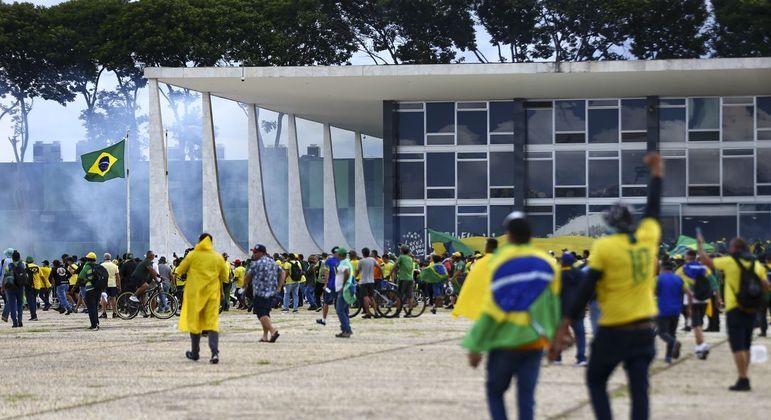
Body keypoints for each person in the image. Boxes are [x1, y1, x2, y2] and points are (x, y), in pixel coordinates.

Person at [552, 152, 664, 420]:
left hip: (614, 329)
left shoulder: (605, 247)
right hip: (645, 329)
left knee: (596, 380)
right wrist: (657, 172)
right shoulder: (648, 239)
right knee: (639, 388)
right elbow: (653, 209)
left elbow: (587, 287)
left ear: (611, 225)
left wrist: (567, 320)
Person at [463, 212, 561, 420]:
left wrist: (475, 345)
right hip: (534, 343)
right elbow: (552, 306)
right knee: (526, 398)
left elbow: (492, 307)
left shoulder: (499, 262)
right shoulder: (548, 263)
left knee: (495, 392)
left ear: (509, 235)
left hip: (503, 342)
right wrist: (554, 340)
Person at [697, 234, 769, 391]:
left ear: (735, 248)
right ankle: (745, 374)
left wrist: (701, 245)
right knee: (747, 345)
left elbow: (706, 261)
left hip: (734, 309)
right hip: (751, 308)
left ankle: (743, 379)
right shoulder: (756, 264)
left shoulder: (730, 262)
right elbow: (766, 286)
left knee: (737, 346)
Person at [176, 233, 229, 364]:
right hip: (212, 295)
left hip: (195, 295)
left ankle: (195, 353)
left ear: (199, 241)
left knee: (194, 323)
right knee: (212, 323)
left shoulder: (192, 255)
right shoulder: (218, 257)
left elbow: (180, 269)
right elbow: (225, 277)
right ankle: (214, 353)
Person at [676, 249, 720, 359]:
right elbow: (714, 284)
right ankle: (700, 345)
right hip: (704, 299)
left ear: (687, 257)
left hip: (691, 300)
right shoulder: (704, 268)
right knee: (699, 323)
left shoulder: (682, 269)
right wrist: (718, 298)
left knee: (696, 325)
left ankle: (701, 346)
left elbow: (676, 283)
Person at [244, 244, 283, 343]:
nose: (254, 254)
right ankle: (265, 336)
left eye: (255, 252)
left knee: (260, 313)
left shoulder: (256, 263)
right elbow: (282, 273)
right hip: (272, 293)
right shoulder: (273, 262)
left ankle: (273, 331)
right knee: (265, 314)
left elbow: (248, 275)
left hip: (260, 293)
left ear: (261, 253)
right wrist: (279, 287)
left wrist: (245, 285)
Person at [553, 252, 587, 366]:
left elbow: (553, 293)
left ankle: (557, 358)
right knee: (580, 334)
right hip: (578, 308)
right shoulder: (581, 274)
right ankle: (581, 358)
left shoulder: (557, 275)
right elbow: (589, 289)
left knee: (559, 333)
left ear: (562, 262)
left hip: (561, 309)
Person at [656, 260, 692, 364]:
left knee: (662, 332)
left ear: (662, 268)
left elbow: (652, 293)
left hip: (663, 310)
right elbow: (689, 293)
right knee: (672, 333)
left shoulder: (658, 279)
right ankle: (668, 357)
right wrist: (689, 308)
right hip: (676, 310)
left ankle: (674, 343)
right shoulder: (679, 279)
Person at [76, 252, 101, 331]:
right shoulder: (97, 266)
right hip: (98, 289)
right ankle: (96, 322)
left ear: (87, 259)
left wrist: (74, 287)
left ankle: (94, 325)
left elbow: (80, 276)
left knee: (91, 308)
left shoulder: (87, 266)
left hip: (90, 290)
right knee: (95, 307)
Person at [2, 250, 27, 327]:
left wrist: (3, 287)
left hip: (11, 287)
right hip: (20, 286)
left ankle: (14, 322)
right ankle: (20, 321)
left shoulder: (9, 266)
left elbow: (5, 276)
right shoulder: (23, 264)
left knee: (12, 304)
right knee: (20, 304)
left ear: (12, 258)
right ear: (19, 257)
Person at [333, 247, 354, 338]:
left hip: (344, 290)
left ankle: (347, 330)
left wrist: (343, 285)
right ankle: (345, 330)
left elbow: (346, 272)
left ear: (340, 255)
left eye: (337, 253)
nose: (335, 254)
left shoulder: (344, 263)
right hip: (345, 289)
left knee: (339, 310)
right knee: (345, 311)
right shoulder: (345, 262)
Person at [317, 248, 339, 326]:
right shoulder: (342, 261)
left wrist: (325, 284)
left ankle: (323, 319)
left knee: (326, 302)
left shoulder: (329, 261)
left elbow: (326, 273)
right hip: (340, 285)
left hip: (331, 285)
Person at [355, 248, 378, 318]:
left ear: (362, 253)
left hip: (364, 282)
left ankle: (368, 313)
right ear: (369, 253)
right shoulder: (373, 260)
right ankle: (376, 312)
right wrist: (382, 275)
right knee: (372, 297)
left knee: (365, 297)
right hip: (371, 281)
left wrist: (354, 277)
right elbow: (379, 267)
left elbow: (357, 271)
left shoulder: (361, 261)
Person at [393, 245, 415, 317]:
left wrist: (390, 273)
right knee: (410, 296)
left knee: (399, 296)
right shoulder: (410, 258)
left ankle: (397, 312)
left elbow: (395, 265)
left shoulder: (401, 257)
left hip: (403, 278)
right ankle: (409, 312)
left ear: (401, 251)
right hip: (410, 278)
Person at [100, 253, 120, 319]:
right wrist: (119, 285)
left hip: (104, 284)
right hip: (113, 284)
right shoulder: (114, 266)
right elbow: (117, 277)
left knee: (104, 298)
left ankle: (104, 313)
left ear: (104, 258)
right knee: (113, 298)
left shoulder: (101, 265)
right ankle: (114, 313)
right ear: (110, 258)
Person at [25, 256, 41, 321]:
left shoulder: (25, 266)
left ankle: (34, 316)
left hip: (29, 286)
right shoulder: (37, 267)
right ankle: (34, 315)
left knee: (30, 301)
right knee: (33, 300)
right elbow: (41, 275)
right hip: (37, 286)